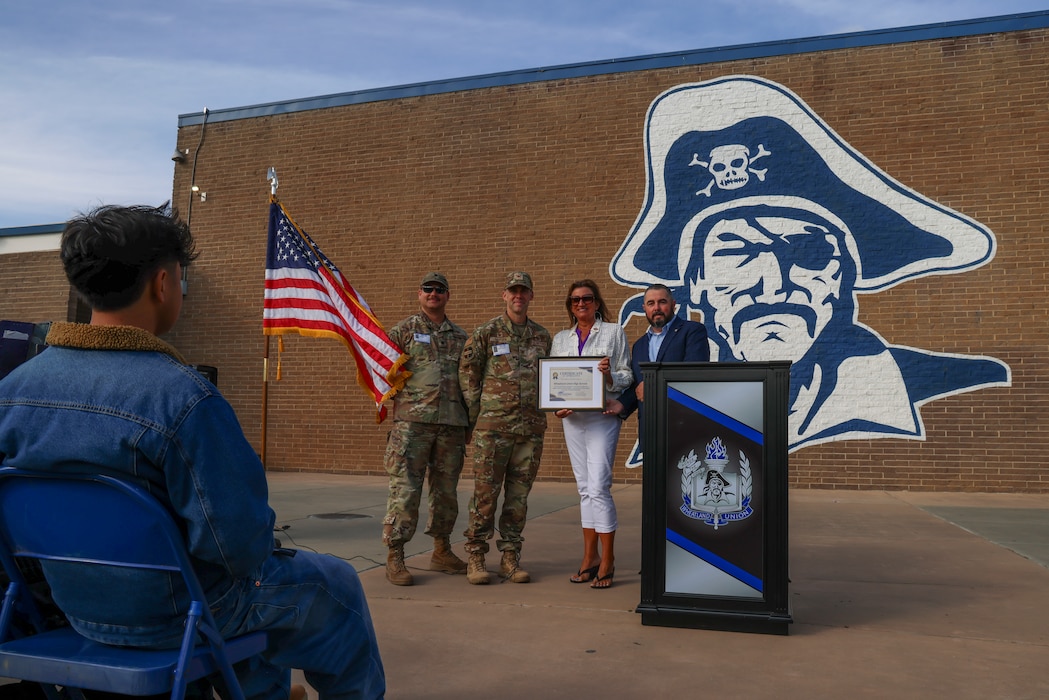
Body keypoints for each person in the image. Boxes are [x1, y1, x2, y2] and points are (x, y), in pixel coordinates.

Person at [0, 204, 384, 700]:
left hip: (73, 605)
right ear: (163, 284)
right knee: (332, 583)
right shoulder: (184, 397)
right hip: (181, 617)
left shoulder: (11, 392)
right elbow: (238, 548)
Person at [609, 76, 1009, 451]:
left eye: (807, 254)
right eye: (738, 256)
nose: (773, 285)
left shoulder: (971, 388)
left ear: (843, 278)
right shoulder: (680, 368)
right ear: (695, 287)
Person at [458, 271, 551, 585]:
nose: (518, 296)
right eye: (513, 291)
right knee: (485, 496)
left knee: (518, 498)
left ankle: (510, 558)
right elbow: (469, 376)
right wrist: (475, 418)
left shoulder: (542, 336)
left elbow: (552, 379)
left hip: (530, 430)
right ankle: (476, 556)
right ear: (504, 295)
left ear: (531, 296)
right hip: (493, 429)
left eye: (524, 291)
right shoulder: (487, 332)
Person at [381, 272, 469, 586]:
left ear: (447, 296)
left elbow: (468, 382)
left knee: (446, 494)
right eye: (428, 289)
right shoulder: (402, 331)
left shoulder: (460, 337)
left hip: (450, 425)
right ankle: (395, 555)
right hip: (412, 427)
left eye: (440, 290)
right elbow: (382, 370)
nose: (434, 294)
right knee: (405, 493)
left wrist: (469, 422)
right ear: (419, 294)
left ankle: (441, 550)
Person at [550, 280, 632, 589]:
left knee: (599, 486)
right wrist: (557, 405)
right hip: (572, 420)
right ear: (570, 306)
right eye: (574, 300)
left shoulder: (612, 332)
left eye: (586, 298)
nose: (581, 304)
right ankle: (590, 557)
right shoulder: (561, 339)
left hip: (601, 419)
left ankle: (608, 558)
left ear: (596, 303)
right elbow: (555, 380)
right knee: (584, 488)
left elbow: (626, 376)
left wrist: (609, 374)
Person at [607, 284, 709, 463]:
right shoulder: (639, 345)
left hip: (685, 423)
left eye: (662, 302)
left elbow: (695, 372)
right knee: (655, 488)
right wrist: (621, 404)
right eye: (651, 303)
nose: (657, 308)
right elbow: (638, 386)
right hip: (650, 428)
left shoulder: (692, 331)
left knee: (684, 487)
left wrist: (656, 387)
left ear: (674, 304)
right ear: (644, 308)